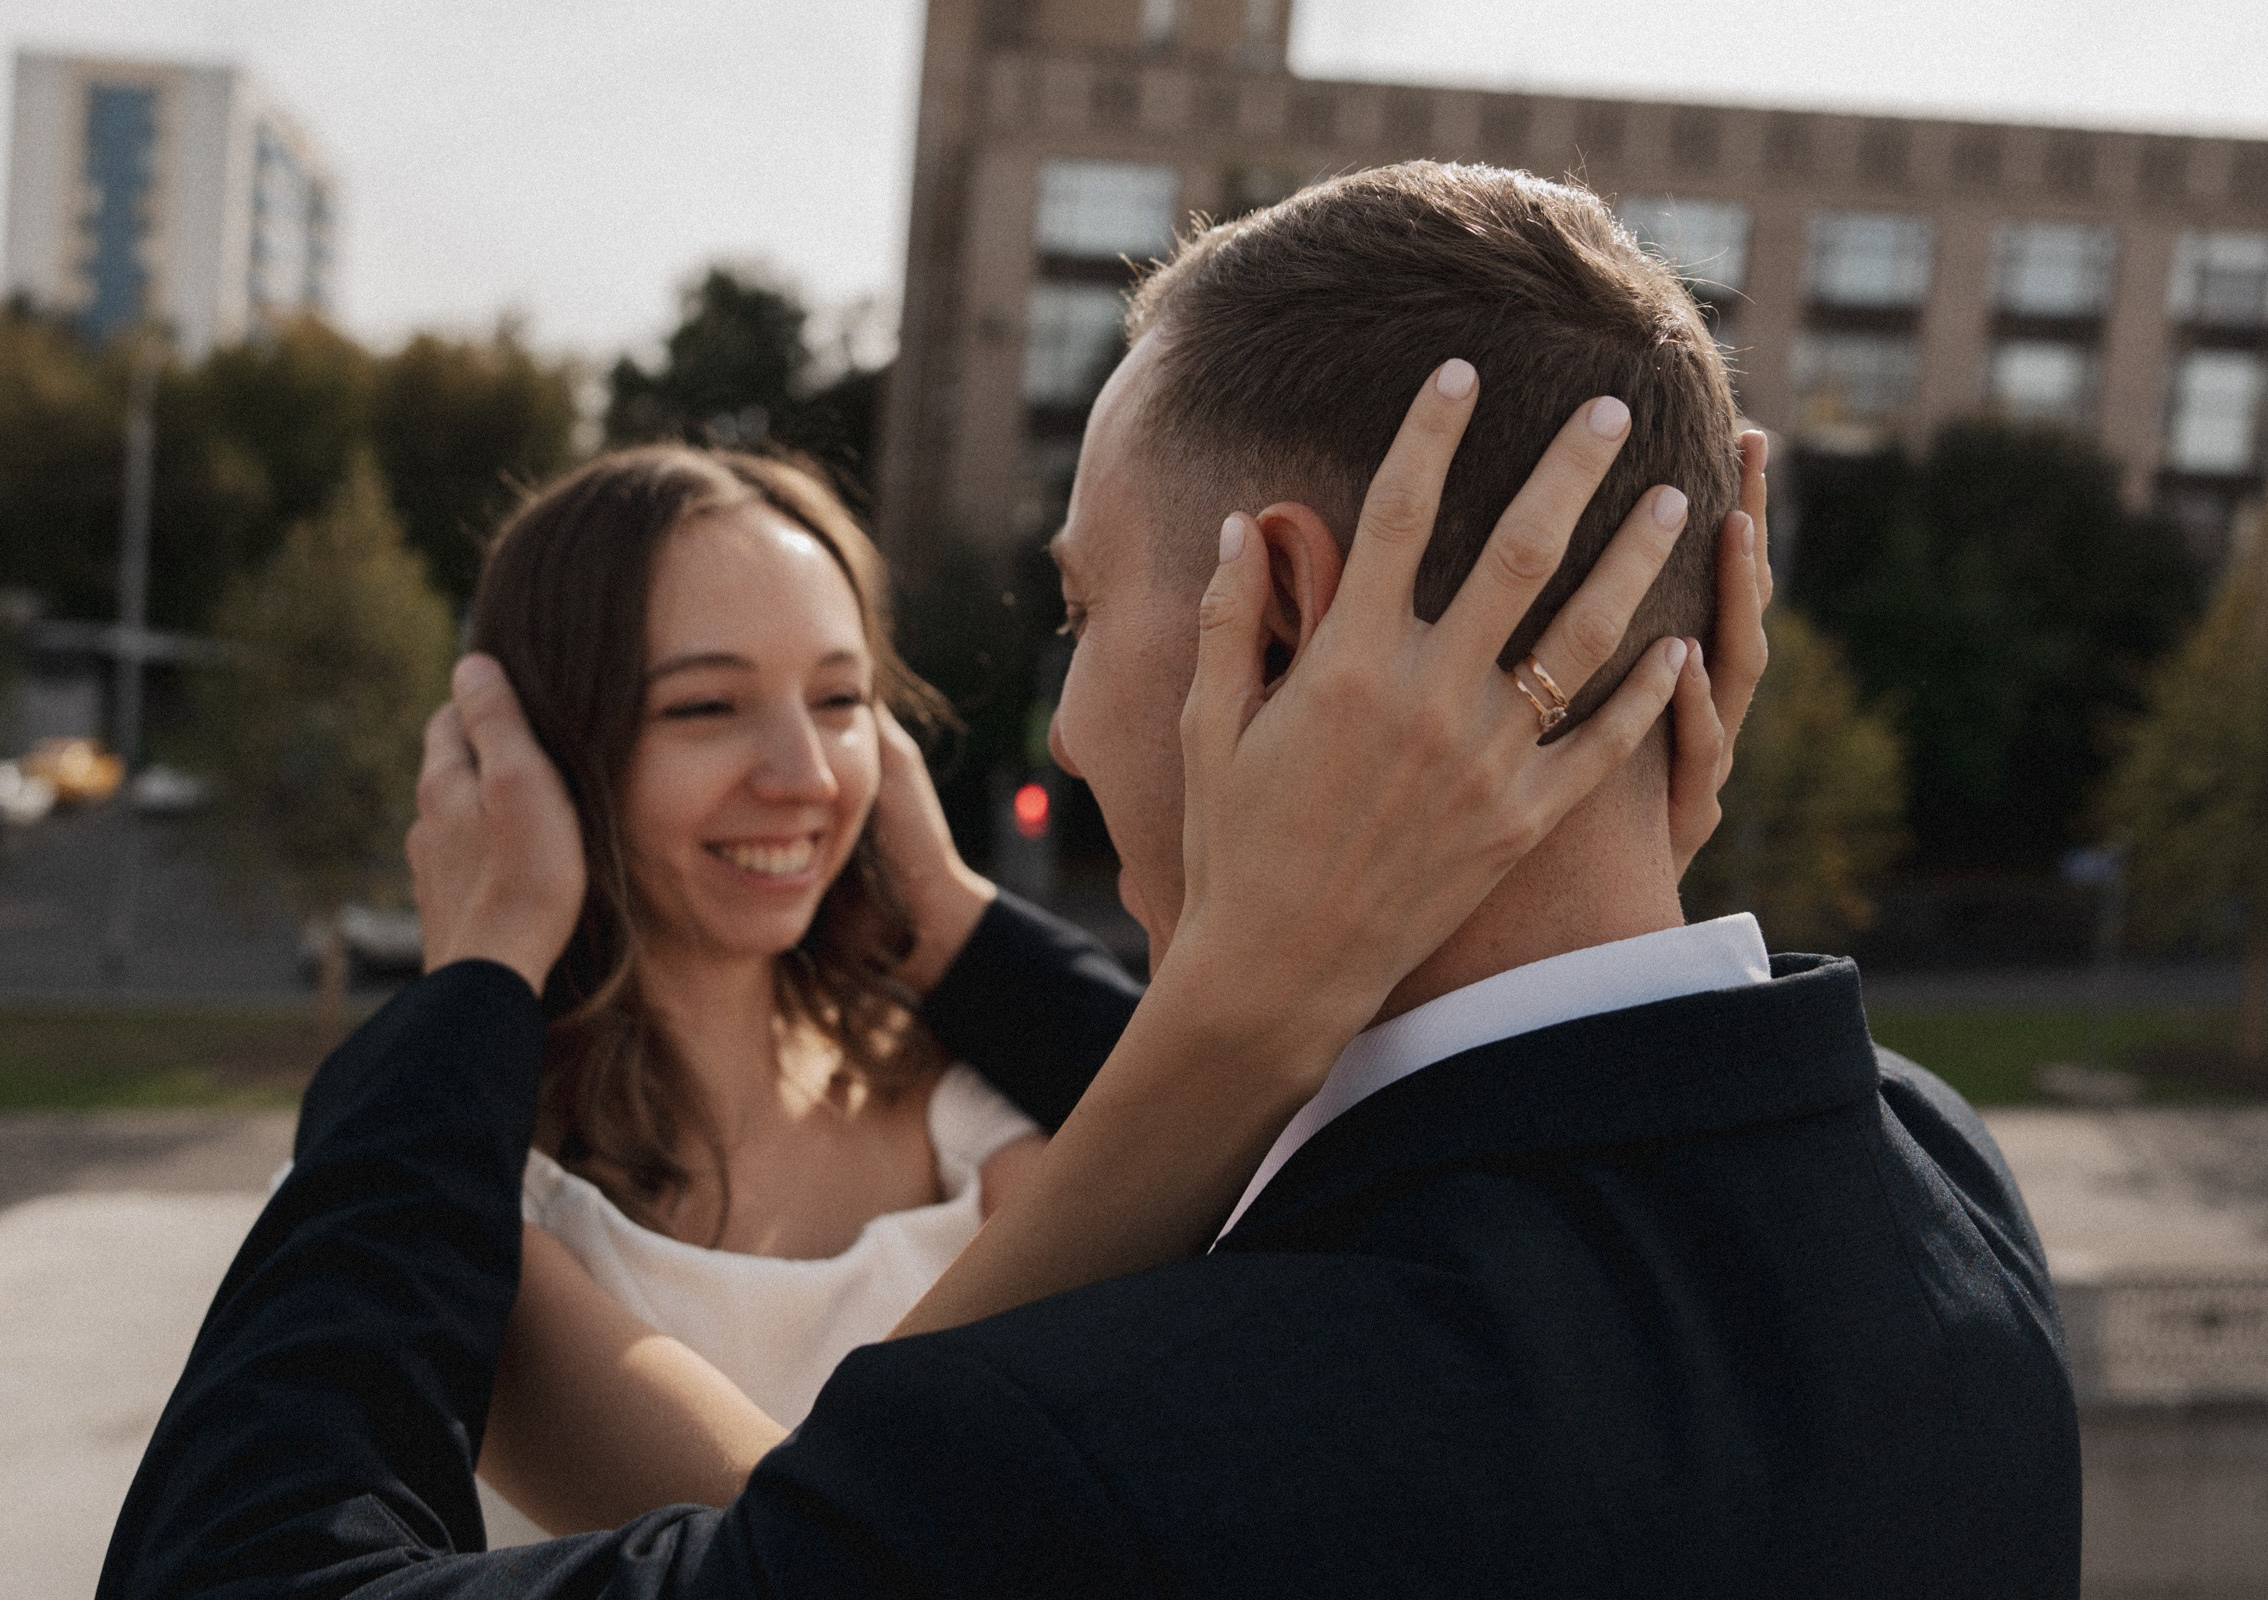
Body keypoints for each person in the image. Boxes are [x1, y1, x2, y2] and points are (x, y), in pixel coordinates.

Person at [102, 162, 2079, 1598]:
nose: (1053, 727)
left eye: (1079, 609)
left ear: (1283, 617)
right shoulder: (1939, 1185)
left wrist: (460, 987)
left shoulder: (1104, 1449)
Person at [461, 441, 1746, 1532]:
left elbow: (1300, 1218)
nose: (801, 770)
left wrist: (950, 913)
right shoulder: (457, 1200)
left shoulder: (961, 1093)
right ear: (536, 754)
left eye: (842, 698)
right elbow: (801, 1555)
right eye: (705, 709)